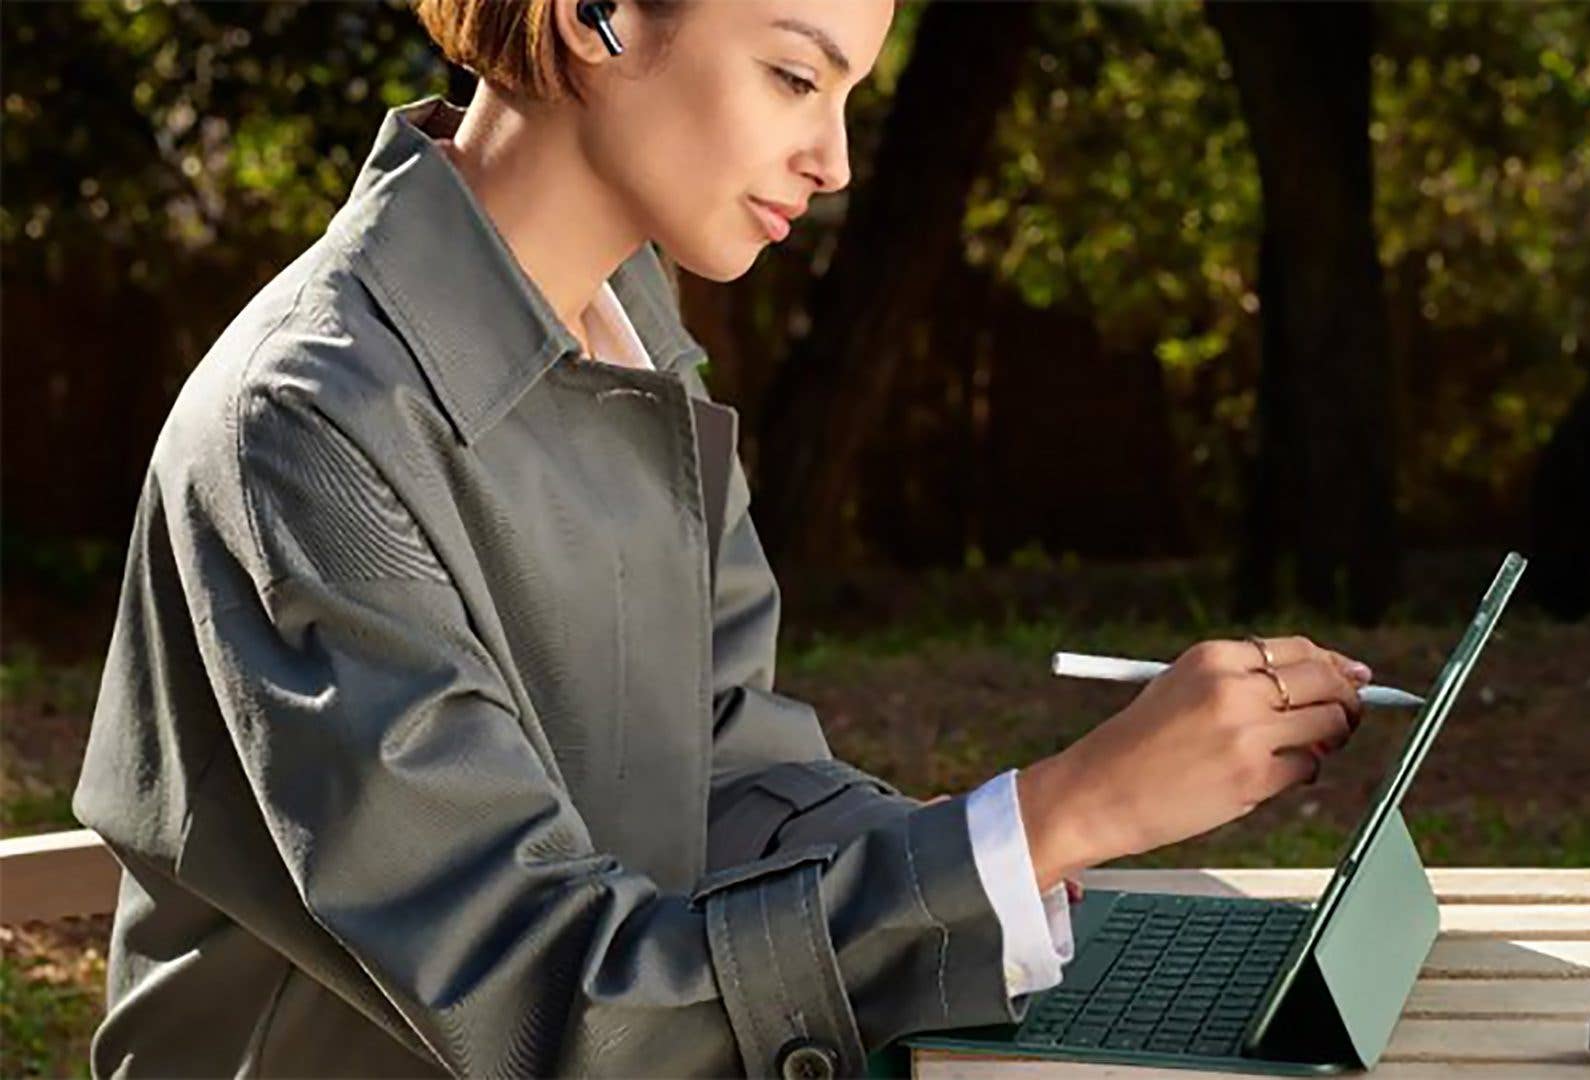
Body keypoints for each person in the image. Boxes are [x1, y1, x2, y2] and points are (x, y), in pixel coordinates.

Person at [70, 0, 1370, 1075]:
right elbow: (539, 996)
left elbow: (725, 777)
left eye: (847, 91)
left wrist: (985, 861)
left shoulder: (631, 341)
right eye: (795, 76)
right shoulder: (306, 429)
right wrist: (1045, 819)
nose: (837, 160)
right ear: (597, 17)